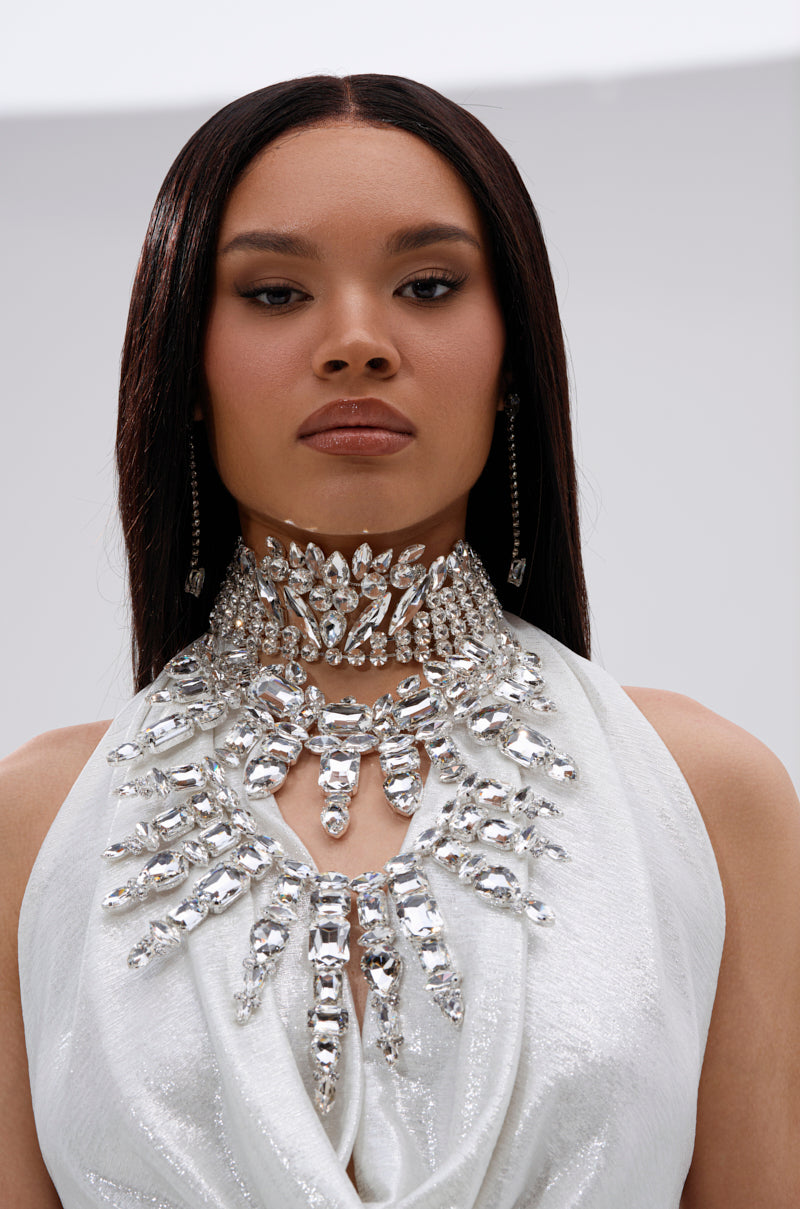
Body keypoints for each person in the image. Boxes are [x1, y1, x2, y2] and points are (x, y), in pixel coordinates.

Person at [2, 73, 798, 1209]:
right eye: (275, 293)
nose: (357, 342)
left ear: (511, 353)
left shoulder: (707, 801)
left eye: (426, 285)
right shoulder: (33, 833)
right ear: (185, 360)